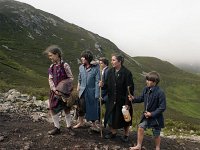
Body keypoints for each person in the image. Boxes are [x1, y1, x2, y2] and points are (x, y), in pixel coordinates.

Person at [100, 53, 134, 142]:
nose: (112, 62)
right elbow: (106, 85)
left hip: (122, 100)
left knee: (125, 117)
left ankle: (126, 135)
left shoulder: (127, 73)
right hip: (111, 99)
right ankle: (113, 132)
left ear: (120, 61)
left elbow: (129, 89)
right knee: (111, 116)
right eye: (111, 60)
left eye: (114, 60)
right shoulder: (111, 71)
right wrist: (102, 85)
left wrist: (127, 103)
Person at [128, 71, 166, 150]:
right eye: (147, 80)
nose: (147, 82)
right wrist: (133, 99)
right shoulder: (146, 89)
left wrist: (151, 114)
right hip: (146, 116)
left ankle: (157, 148)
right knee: (141, 127)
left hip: (156, 118)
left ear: (154, 82)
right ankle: (138, 146)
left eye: (149, 80)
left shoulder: (160, 92)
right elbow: (141, 98)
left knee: (156, 133)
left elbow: (162, 107)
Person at [43, 45, 75, 136]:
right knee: (53, 109)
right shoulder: (51, 67)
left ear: (57, 54)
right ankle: (57, 127)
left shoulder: (65, 65)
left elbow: (71, 77)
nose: (50, 58)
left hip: (65, 92)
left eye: (51, 55)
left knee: (67, 109)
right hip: (54, 92)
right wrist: (54, 89)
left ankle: (69, 127)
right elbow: (50, 79)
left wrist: (63, 87)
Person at [73, 50, 100, 130]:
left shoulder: (96, 68)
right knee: (80, 107)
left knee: (92, 108)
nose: (81, 58)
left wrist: (97, 94)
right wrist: (78, 88)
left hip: (92, 92)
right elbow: (79, 78)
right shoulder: (81, 67)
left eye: (83, 57)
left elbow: (97, 81)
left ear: (87, 58)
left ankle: (94, 124)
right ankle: (81, 122)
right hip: (82, 92)